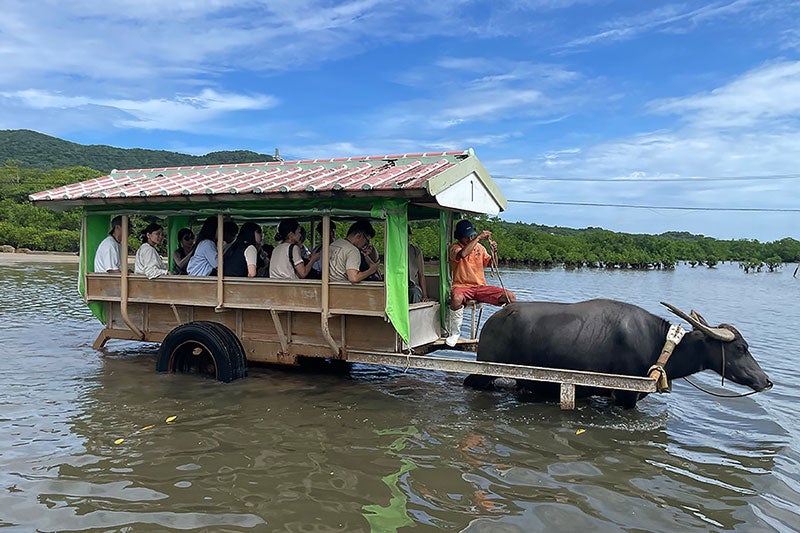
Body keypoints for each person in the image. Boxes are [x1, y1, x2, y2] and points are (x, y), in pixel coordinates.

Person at [445, 220, 516, 346]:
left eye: (471, 235)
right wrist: (478, 238)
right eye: (466, 236)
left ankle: (507, 331)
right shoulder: (454, 248)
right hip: (462, 286)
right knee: (456, 298)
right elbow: (462, 254)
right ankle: (455, 333)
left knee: (510, 297)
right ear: (460, 236)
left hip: (480, 287)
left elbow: (492, 264)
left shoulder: (480, 248)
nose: (469, 238)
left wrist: (494, 251)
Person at [329, 219, 381, 283]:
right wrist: (371, 270)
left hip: (330, 284)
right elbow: (354, 278)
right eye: (367, 241)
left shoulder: (335, 244)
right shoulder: (353, 251)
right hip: (343, 289)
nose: (366, 244)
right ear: (359, 235)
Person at [408, 227, 428, 303]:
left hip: (412, 286)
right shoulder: (392, 250)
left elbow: (421, 274)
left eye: (408, 234)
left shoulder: (416, 251)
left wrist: (425, 295)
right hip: (397, 286)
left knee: (414, 292)